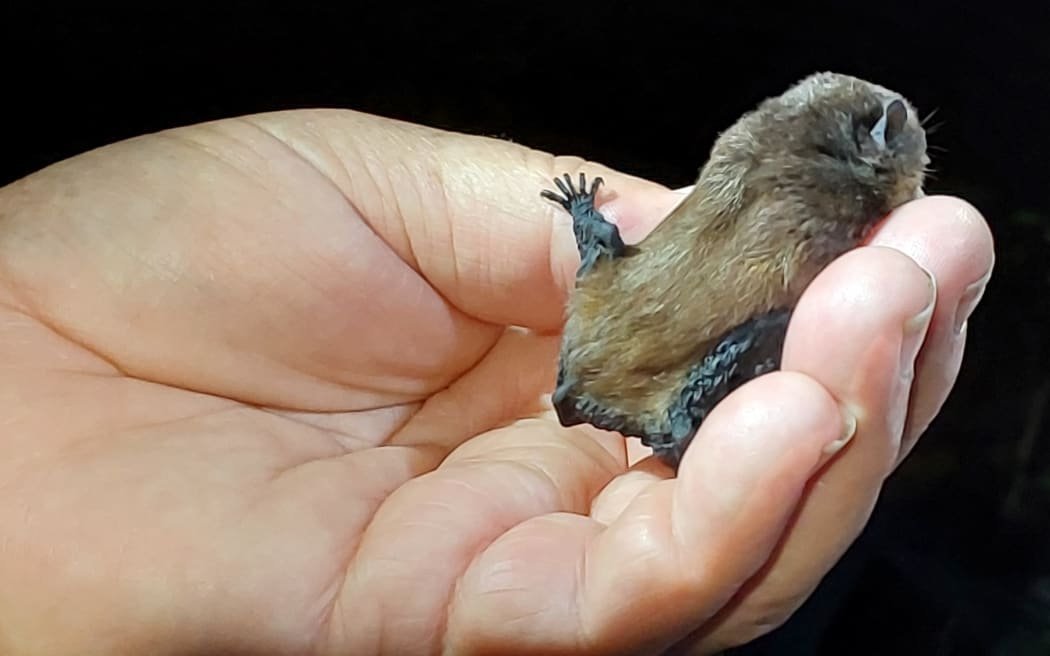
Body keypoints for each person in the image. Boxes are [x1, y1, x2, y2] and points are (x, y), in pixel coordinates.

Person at [0, 108, 993, 654]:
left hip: (606, 330)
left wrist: (590, 223)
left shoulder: (753, 193)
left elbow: (634, 254)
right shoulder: (810, 237)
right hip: (654, 377)